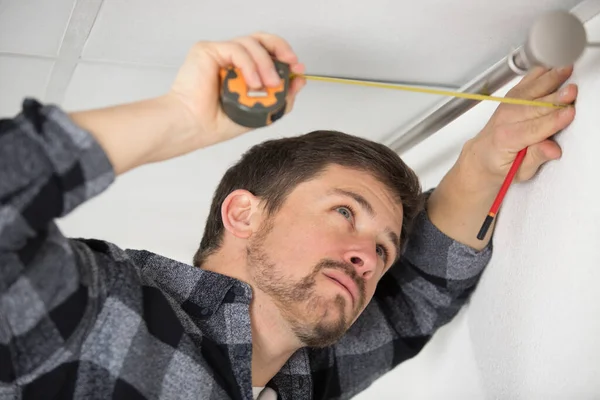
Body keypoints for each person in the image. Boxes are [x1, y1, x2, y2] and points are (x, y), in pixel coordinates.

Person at [0, 32, 576, 400]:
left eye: (383, 249)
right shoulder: (102, 314)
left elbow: (416, 294)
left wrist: (482, 161)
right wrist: (180, 118)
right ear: (244, 213)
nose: (367, 257)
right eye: (345, 211)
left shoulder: (306, 376)